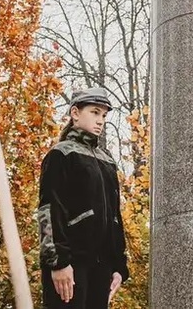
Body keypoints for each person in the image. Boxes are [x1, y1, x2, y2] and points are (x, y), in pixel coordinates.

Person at [36, 87, 129, 308]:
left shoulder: (107, 162)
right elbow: (48, 211)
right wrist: (57, 262)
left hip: (102, 266)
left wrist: (118, 266)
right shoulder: (61, 154)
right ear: (75, 113)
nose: (100, 120)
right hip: (71, 265)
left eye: (104, 116)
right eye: (95, 112)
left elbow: (115, 216)